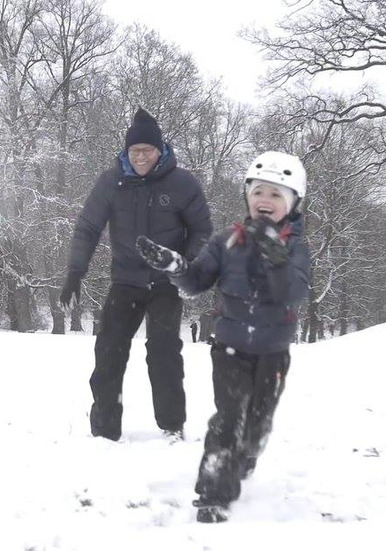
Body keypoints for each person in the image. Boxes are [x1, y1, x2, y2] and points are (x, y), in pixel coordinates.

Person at [137, 151, 310, 523]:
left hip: (273, 353)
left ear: (293, 203)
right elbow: (197, 281)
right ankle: (215, 491)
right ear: (248, 196)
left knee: (256, 426)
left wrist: (276, 257)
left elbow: (292, 294)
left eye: (277, 195)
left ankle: (247, 454)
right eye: (259, 191)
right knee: (228, 419)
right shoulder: (227, 241)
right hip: (230, 347)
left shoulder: (295, 247)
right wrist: (175, 266)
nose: (265, 200)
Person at [60, 107, 213, 442]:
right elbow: (88, 227)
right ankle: (104, 430)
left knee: (164, 352)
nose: (141, 156)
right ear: (126, 152)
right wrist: (75, 271)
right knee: (109, 350)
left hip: (165, 283)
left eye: (147, 150)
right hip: (126, 281)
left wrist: (183, 265)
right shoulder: (111, 181)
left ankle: (172, 426)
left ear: (160, 150)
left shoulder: (182, 183)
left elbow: (202, 229)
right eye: (135, 151)